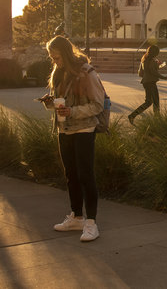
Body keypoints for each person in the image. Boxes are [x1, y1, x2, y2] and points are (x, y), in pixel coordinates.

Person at [39, 36, 104, 242]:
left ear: (66, 53)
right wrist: (50, 103)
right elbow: (60, 104)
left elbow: (97, 104)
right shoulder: (58, 73)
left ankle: (91, 222)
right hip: (64, 129)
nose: (54, 61)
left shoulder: (87, 72)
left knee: (86, 175)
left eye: (57, 57)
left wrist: (72, 111)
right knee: (71, 175)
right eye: (52, 57)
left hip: (84, 129)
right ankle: (76, 216)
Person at [127, 45, 167, 125]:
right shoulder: (151, 60)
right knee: (155, 102)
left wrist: (162, 65)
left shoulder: (144, 58)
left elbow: (145, 71)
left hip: (146, 82)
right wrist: (163, 77)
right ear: (154, 52)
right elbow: (153, 71)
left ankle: (132, 115)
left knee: (149, 102)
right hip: (150, 82)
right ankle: (157, 120)